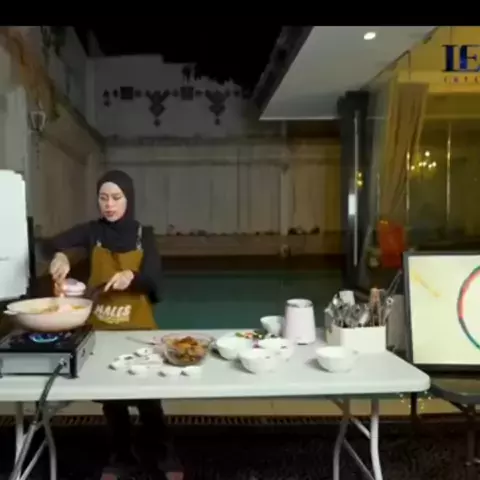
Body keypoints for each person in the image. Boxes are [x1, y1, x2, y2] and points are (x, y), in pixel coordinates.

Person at [45, 170, 183, 480]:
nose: (109, 205)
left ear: (128, 199)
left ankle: (164, 451)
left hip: (138, 328)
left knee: (148, 397)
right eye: (103, 198)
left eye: (116, 198)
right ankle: (122, 456)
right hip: (102, 329)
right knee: (112, 401)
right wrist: (60, 256)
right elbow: (47, 244)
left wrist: (132, 276)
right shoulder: (92, 231)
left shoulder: (143, 234)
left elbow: (155, 280)